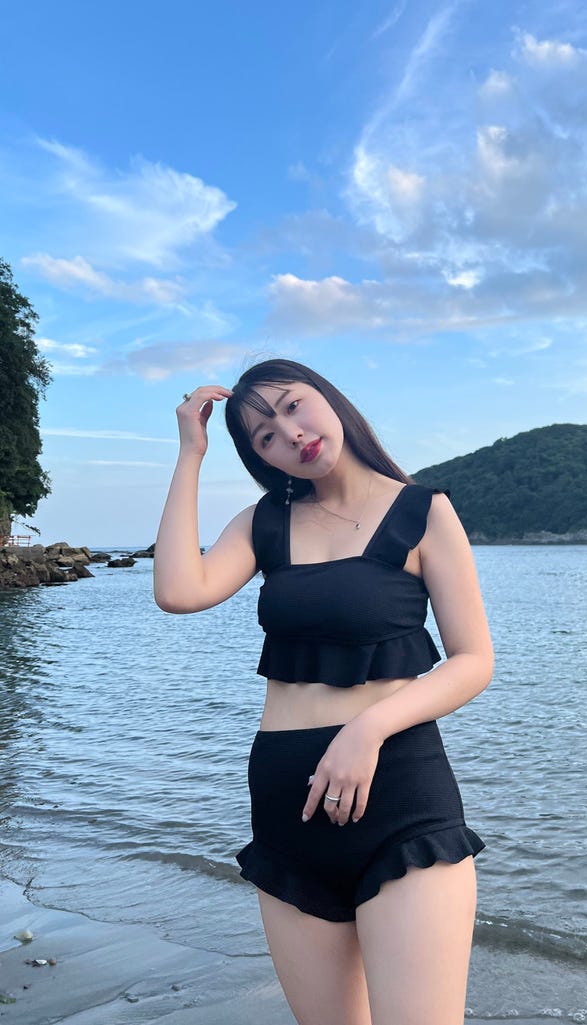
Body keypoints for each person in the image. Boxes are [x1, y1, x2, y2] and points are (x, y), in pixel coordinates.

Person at [153, 359, 493, 1025]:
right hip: (287, 809)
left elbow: (473, 660)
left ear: (328, 397)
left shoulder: (423, 512)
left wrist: (366, 729)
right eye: (265, 437)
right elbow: (178, 589)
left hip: (400, 796)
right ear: (261, 458)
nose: (290, 434)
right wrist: (191, 453)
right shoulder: (266, 523)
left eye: (293, 406)